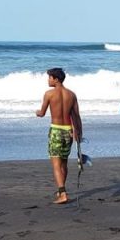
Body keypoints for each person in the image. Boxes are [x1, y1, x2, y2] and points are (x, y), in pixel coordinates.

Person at [35, 67, 82, 205]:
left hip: (56, 130)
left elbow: (42, 113)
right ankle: (61, 190)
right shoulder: (71, 95)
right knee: (64, 163)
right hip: (68, 130)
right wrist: (78, 133)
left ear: (56, 79)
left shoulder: (49, 94)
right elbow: (76, 116)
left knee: (56, 164)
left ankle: (62, 193)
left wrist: (37, 112)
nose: (48, 80)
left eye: (49, 77)